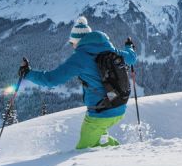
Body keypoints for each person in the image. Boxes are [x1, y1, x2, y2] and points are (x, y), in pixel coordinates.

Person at [19, 15, 137, 149]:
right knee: (99, 140)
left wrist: (27, 73)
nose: (72, 46)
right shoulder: (111, 50)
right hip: (119, 107)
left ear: (77, 41)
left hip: (100, 113)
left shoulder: (80, 58)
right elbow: (132, 58)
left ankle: (121, 156)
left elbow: (51, 80)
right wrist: (129, 47)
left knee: (82, 152)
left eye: (72, 43)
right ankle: (117, 152)